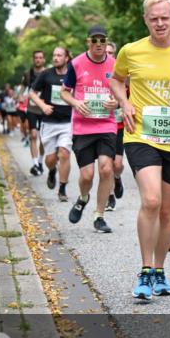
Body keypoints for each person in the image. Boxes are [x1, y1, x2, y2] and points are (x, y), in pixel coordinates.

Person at [109, 0, 170, 302]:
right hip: (140, 134)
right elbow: (116, 80)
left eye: (164, 18)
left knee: (167, 210)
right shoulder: (131, 51)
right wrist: (125, 102)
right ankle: (144, 271)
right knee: (152, 200)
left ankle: (159, 270)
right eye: (153, 18)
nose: (159, 23)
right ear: (146, 20)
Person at [60, 26, 119, 233]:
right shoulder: (76, 63)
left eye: (102, 41)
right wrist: (76, 103)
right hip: (83, 127)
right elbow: (64, 93)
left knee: (106, 168)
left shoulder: (115, 64)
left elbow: (123, 93)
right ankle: (83, 198)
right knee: (86, 175)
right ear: (88, 42)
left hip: (106, 124)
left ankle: (99, 216)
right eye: (95, 40)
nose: (99, 45)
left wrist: (116, 102)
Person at [30, 46, 74, 201]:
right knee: (50, 160)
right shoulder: (46, 74)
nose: (56, 58)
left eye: (59, 55)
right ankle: (51, 171)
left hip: (68, 122)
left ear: (66, 58)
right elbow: (32, 93)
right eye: (54, 55)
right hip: (49, 123)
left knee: (64, 153)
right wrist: (43, 106)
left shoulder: (73, 74)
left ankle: (62, 189)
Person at [104, 41, 125, 212]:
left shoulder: (123, 72)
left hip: (120, 125)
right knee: (107, 163)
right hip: (104, 124)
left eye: (111, 52)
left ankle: (117, 178)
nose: (108, 55)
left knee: (117, 164)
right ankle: (110, 196)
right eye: (106, 52)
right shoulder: (98, 71)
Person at [25, 50, 47, 176]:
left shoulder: (48, 73)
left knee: (43, 138)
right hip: (32, 109)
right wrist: (20, 97)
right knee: (33, 135)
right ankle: (35, 164)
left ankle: (40, 161)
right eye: (36, 58)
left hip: (44, 109)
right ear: (33, 60)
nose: (38, 60)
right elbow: (23, 88)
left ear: (43, 59)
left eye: (40, 57)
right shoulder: (28, 74)